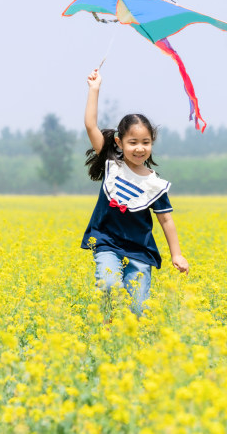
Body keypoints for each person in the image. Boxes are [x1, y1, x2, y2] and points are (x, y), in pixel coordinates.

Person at [81, 68, 189, 317]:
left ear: (152, 143)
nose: (139, 148)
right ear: (119, 143)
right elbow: (90, 125)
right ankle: (108, 326)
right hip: (107, 241)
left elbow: (166, 219)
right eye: (133, 142)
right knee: (108, 284)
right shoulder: (112, 164)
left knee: (138, 307)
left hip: (140, 248)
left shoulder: (154, 184)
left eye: (146, 142)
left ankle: (131, 341)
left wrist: (177, 254)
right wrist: (94, 89)